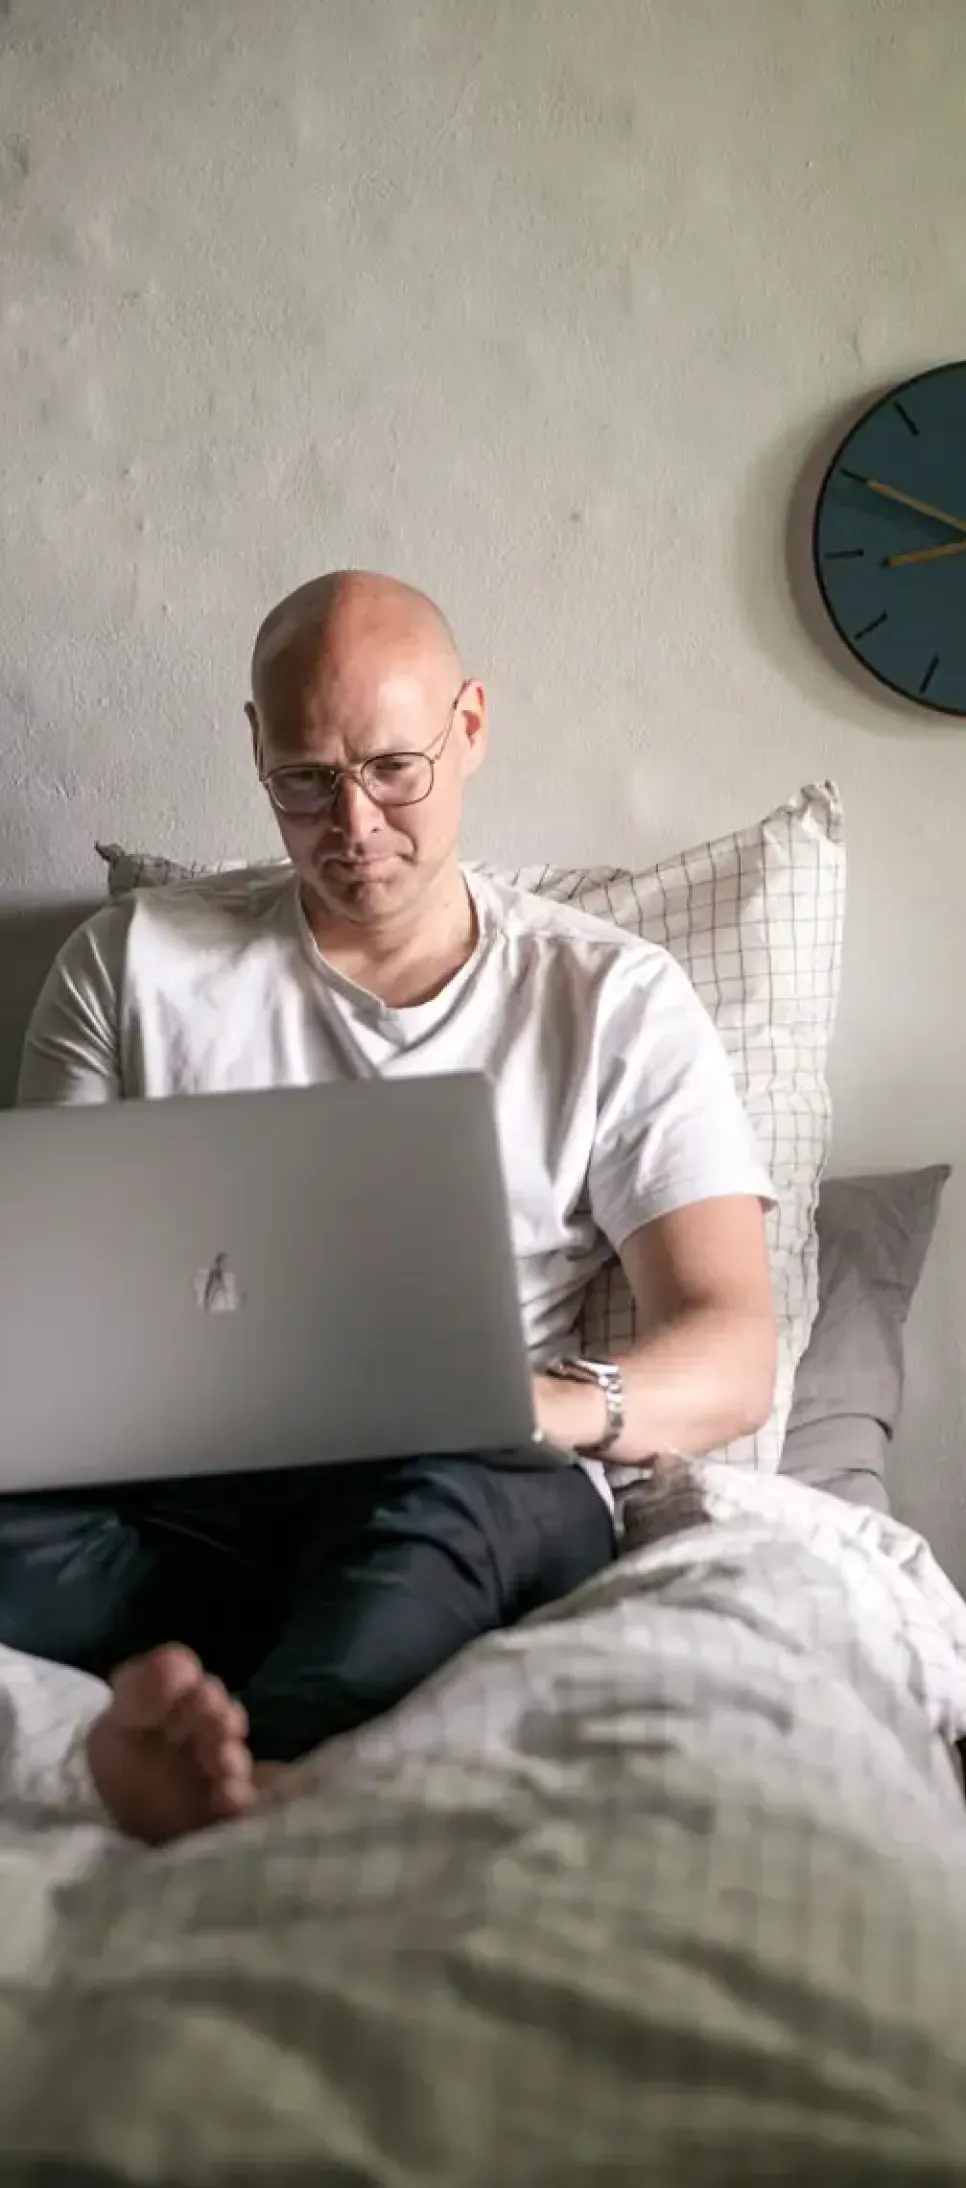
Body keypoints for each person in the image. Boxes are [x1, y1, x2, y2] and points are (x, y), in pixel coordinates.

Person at [2, 570, 776, 1846]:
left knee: (457, 1502)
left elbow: (734, 1346)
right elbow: (46, 1303)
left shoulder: (611, 998)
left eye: (392, 770)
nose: (352, 822)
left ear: (469, 727)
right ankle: (239, 1706)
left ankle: (259, 1770)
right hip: (181, 1505)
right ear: (255, 749)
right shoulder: (131, 962)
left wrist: (541, 1402)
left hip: (450, 1482)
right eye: (306, 780)